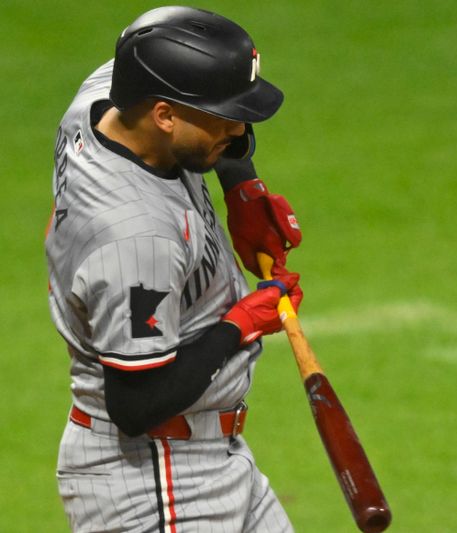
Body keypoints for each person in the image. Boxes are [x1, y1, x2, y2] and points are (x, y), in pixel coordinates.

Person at [45, 6, 303, 532]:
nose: (238, 128)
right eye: (226, 117)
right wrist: (242, 324)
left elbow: (200, 106)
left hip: (207, 458)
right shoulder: (136, 237)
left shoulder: (105, 99)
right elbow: (137, 404)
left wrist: (242, 189)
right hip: (157, 480)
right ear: (164, 114)